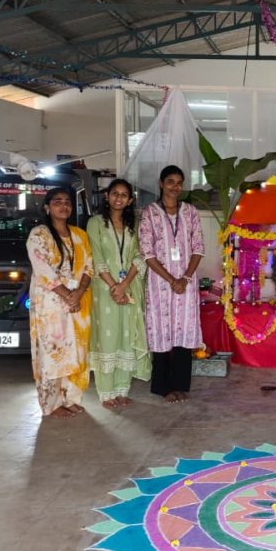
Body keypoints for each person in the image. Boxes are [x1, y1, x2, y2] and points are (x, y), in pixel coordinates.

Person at [139, 165, 205, 403]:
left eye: (179, 182)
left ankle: (180, 386)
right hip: (160, 284)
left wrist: (185, 278)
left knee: (183, 333)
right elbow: (147, 253)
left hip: (186, 284)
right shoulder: (150, 213)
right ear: (161, 184)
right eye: (170, 181)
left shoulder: (190, 212)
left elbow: (198, 248)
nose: (175, 186)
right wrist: (171, 280)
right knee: (162, 331)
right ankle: (163, 387)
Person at [27, 186, 93, 418]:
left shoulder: (79, 235)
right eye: (57, 201)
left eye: (67, 201)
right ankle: (51, 404)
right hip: (51, 305)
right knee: (53, 353)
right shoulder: (39, 234)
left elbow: (89, 267)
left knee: (75, 352)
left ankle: (71, 398)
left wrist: (78, 294)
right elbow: (43, 270)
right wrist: (68, 295)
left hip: (76, 303)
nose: (63, 205)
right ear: (47, 207)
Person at [87, 178, 151, 410]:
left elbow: (139, 255)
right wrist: (114, 286)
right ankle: (106, 393)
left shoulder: (134, 224)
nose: (119, 198)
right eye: (115, 193)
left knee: (127, 334)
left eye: (124, 195)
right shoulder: (95, 223)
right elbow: (96, 257)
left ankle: (123, 389)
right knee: (107, 336)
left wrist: (124, 285)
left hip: (129, 287)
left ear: (130, 200)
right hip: (104, 289)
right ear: (107, 196)